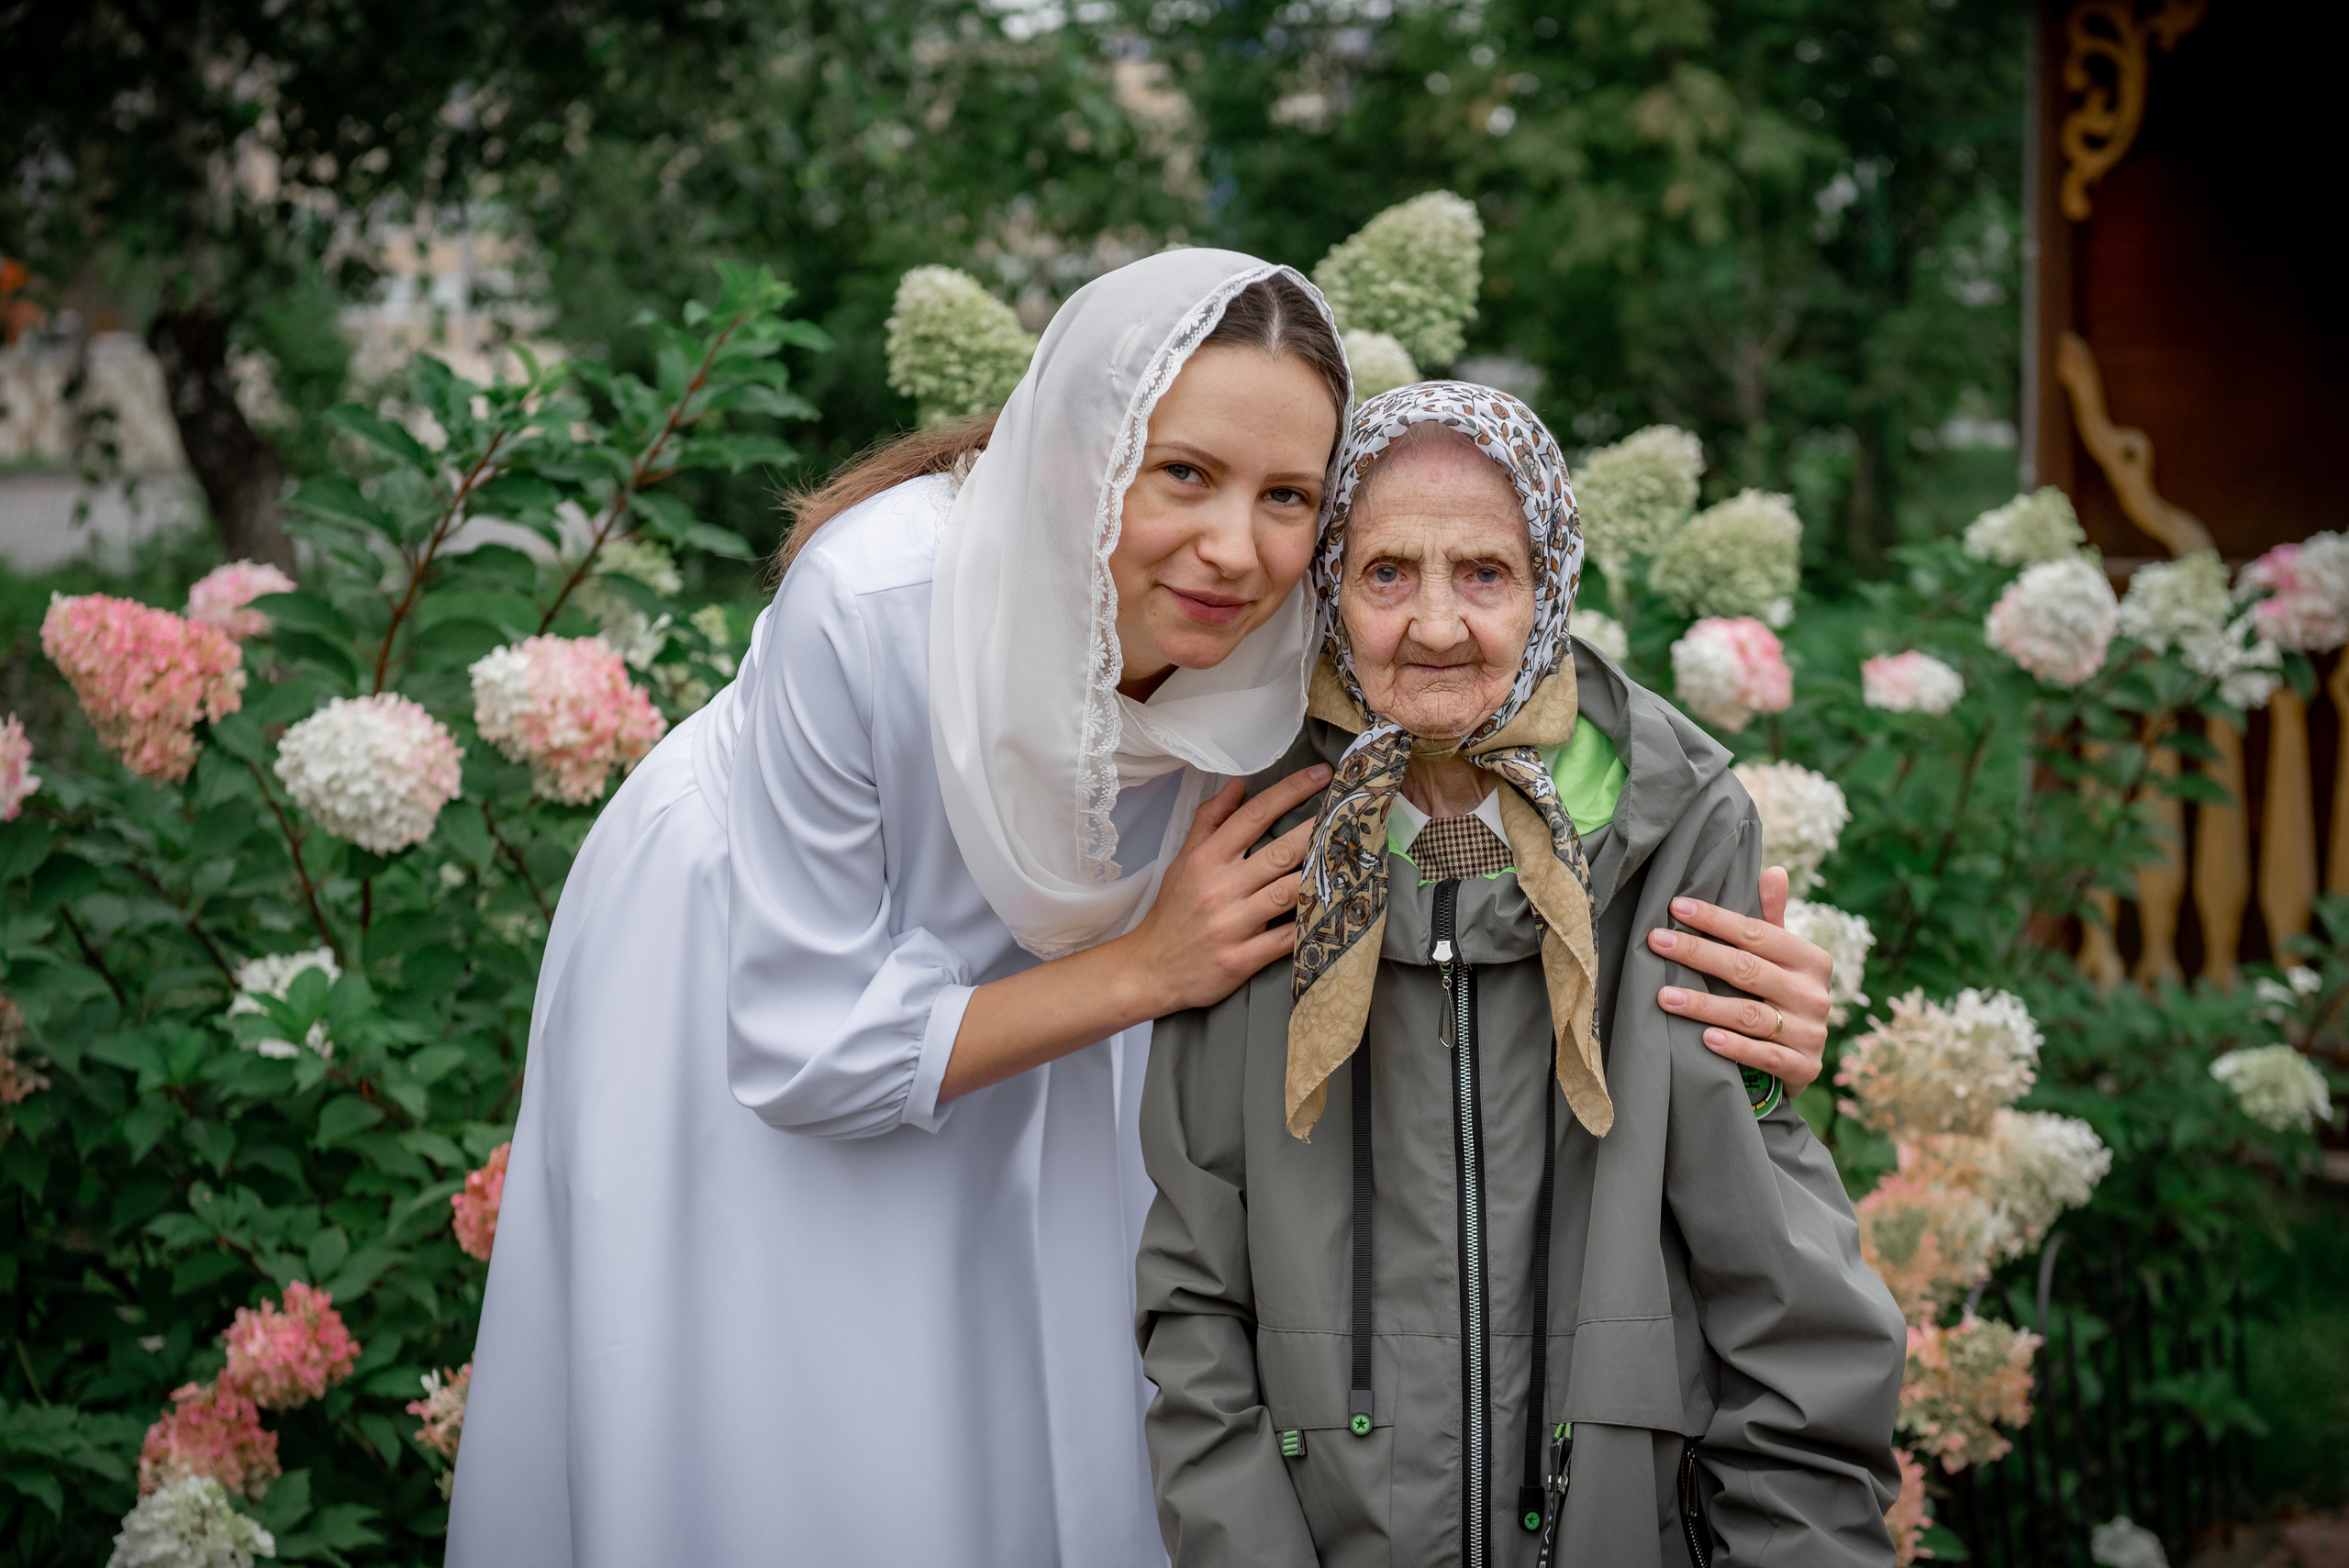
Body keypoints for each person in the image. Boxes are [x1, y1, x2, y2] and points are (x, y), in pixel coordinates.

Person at [451, 247, 1840, 1565]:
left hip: (1086, 1008)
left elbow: (1497, 743)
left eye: (1290, 497)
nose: (1235, 549)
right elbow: (803, 1047)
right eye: (1183, 473)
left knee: (1048, 1423)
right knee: (813, 1430)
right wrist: (1144, 970)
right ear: (1076, 458)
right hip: (761, 983)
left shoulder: (1311, 609)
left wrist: (1738, 994)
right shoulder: (871, 604)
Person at [1136, 385, 1907, 1568]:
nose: (1435, 625)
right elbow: (1195, 1302)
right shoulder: (1257, 833)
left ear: (1551, 582)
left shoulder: (1672, 835)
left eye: (1485, 573)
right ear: (1328, 588)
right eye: (1387, 571)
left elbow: (1780, 1291)